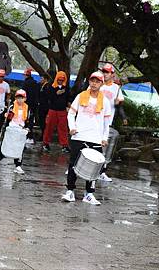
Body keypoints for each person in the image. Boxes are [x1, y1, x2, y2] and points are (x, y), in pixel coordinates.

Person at [61, 71, 111, 205]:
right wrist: (72, 128)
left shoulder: (105, 101)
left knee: (95, 167)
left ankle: (89, 194)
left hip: (95, 138)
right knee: (73, 164)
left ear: (101, 83)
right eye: (92, 80)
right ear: (89, 81)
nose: (94, 83)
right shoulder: (81, 96)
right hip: (79, 136)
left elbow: (107, 123)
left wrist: (104, 137)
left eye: (97, 81)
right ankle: (70, 191)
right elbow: (71, 114)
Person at [98, 63, 128, 182]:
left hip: (107, 122)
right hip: (95, 120)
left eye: (107, 72)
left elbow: (120, 106)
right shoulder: (98, 84)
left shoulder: (116, 88)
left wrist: (124, 117)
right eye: (104, 72)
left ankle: (102, 171)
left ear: (112, 74)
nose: (105, 74)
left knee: (106, 148)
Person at [0, 89, 30, 174]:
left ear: (25, 98)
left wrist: (27, 128)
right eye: (18, 97)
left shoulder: (27, 108)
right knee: (5, 145)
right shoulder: (12, 107)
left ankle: (18, 165)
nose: (20, 99)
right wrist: (6, 116)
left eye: (21, 98)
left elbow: (29, 120)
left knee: (19, 148)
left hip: (21, 130)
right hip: (11, 128)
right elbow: (5, 117)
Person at [42, 71, 71, 153]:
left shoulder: (66, 88)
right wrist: (56, 93)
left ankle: (64, 145)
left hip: (62, 111)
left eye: (62, 80)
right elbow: (48, 98)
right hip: (52, 110)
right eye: (59, 80)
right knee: (49, 127)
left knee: (63, 128)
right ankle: (45, 143)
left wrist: (69, 107)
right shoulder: (51, 87)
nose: (60, 81)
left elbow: (68, 98)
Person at [22, 68, 39, 144]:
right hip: (34, 105)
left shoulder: (26, 83)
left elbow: (23, 94)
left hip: (27, 105)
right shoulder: (35, 83)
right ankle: (29, 137)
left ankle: (28, 136)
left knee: (26, 120)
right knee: (31, 120)